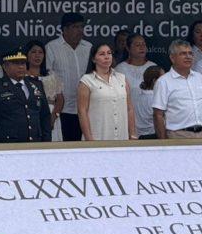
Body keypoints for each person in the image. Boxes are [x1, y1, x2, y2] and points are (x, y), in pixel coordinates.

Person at [0, 48, 52, 144]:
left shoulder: (36, 84)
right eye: (16, 63)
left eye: (23, 63)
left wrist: (46, 142)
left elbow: (45, 116)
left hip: (35, 143)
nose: (21, 67)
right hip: (8, 145)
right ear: (5, 67)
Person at [44, 13, 92, 141]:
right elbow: (47, 76)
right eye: (75, 27)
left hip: (86, 110)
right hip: (62, 110)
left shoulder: (89, 47)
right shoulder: (52, 47)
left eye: (81, 27)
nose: (80, 31)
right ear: (64, 29)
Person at [152, 39, 202, 139]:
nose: (188, 57)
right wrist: (163, 143)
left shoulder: (200, 78)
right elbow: (158, 115)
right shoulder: (163, 82)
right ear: (172, 58)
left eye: (190, 53)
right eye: (183, 54)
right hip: (178, 135)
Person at [78, 43, 136, 141]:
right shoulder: (86, 81)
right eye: (102, 54)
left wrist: (133, 134)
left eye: (109, 53)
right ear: (93, 59)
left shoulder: (122, 78)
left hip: (121, 138)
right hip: (98, 138)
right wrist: (89, 139)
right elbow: (82, 112)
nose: (106, 57)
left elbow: (129, 109)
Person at [24, 40, 64, 142]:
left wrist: (53, 117)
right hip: (29, 115)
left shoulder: (51, 75)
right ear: (27, 55)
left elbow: (60, 99)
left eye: (40, 52)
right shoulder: (22, 76)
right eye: (33, 52)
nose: (37, 55)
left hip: (51, 115)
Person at [116, 33, 157, 101]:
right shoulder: (120, 69)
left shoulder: (153, 67)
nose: (142, 47)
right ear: (128, 48)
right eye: (138, 45)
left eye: (144, 44)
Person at [134, 66, 165, 140]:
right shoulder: (156, 98)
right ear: (155, 81)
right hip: (154, 137)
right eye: (163, 78)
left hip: (140, 137)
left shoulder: (138, 97)